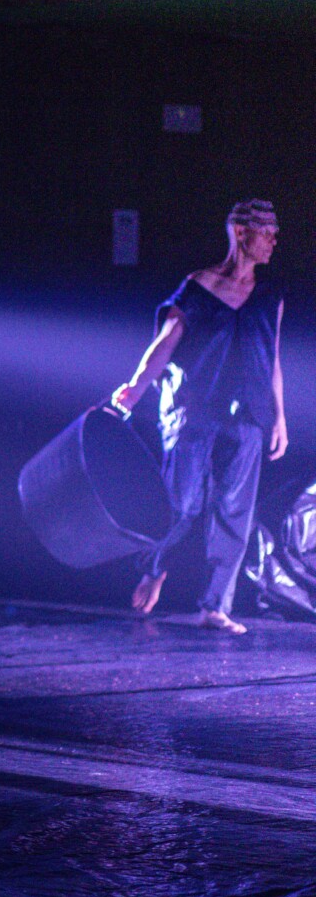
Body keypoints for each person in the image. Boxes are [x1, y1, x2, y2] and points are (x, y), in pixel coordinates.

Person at [112, 199, 288, 633]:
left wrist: (279, 417)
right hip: (196, 411)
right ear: (242, 233)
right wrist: (133, 390)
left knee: (234, 510)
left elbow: (274, 359)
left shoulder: (269, 297)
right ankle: (155, 566)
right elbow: (165, 343)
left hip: (248, 414)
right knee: (182, 502)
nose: (274, 240)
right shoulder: (198, 287)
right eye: (266, 231)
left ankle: (215, 605)